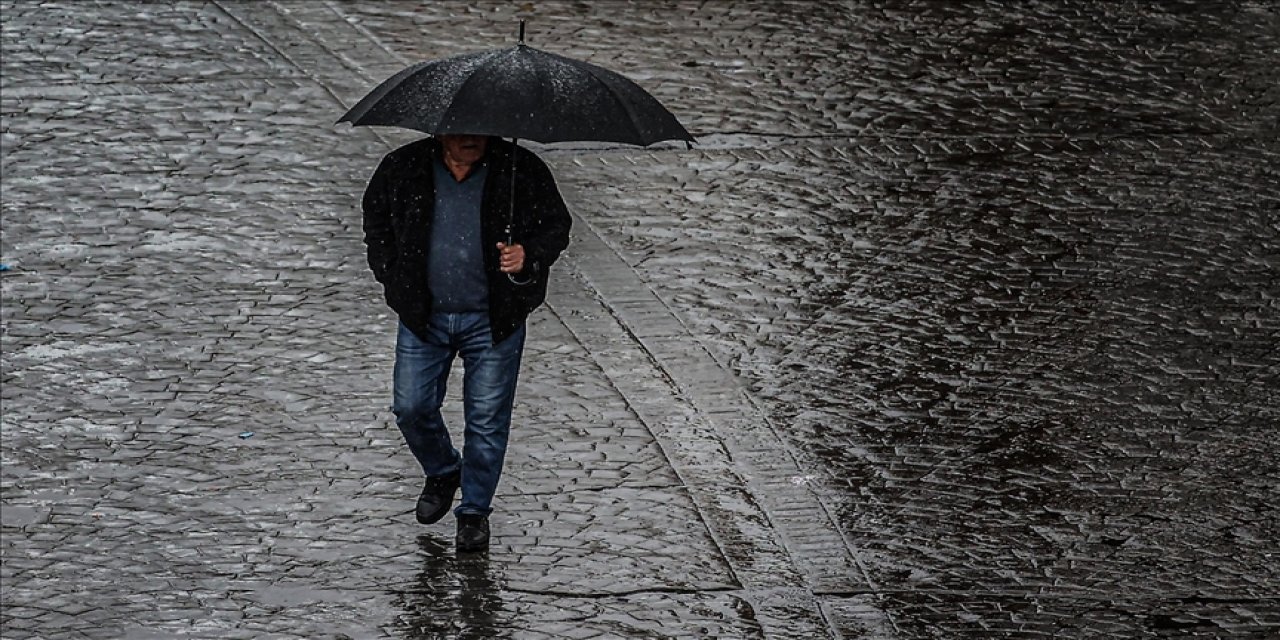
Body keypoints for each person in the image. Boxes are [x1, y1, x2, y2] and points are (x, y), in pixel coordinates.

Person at [361, 133, 571, 552]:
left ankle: (474, 512)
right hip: (425, 317)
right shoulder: (403, 167)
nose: (471, 139)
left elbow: (556, 227)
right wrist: (393, 275)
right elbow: (377, 222)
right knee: (411, 406)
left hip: (493, 319)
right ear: (440, 132)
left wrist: (527, 254)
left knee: (487, 421)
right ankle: (442, 469)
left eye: (479, 129)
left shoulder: (520, 170)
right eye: (461, 130)